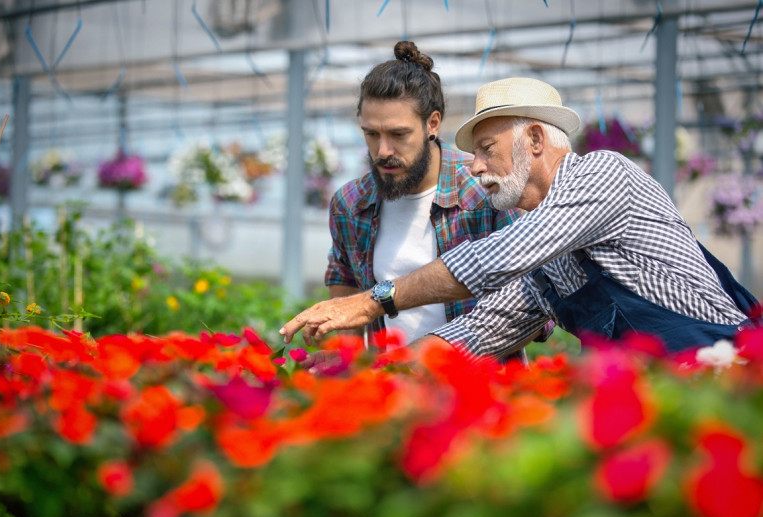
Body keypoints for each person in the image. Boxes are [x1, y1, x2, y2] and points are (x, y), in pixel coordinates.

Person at [281, 76, 759, 357]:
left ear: (534, 140)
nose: (475, 167)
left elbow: (500, 255)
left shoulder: (604, 174)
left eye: (487, 150)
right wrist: (377, 377)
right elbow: (480, 329)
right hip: (664, 397)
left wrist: (374, 301)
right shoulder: (550, 260)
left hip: (721, 371)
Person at [325, 41, 525, 347]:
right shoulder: (351, 204)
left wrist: (432, 355)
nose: (383, 151)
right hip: (388, 384)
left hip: (479, 383)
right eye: (371, 134)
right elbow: (344, 279)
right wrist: (343, 358)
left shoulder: (485, 192)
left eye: (398, 134)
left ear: (432, 123)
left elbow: (533, 305)